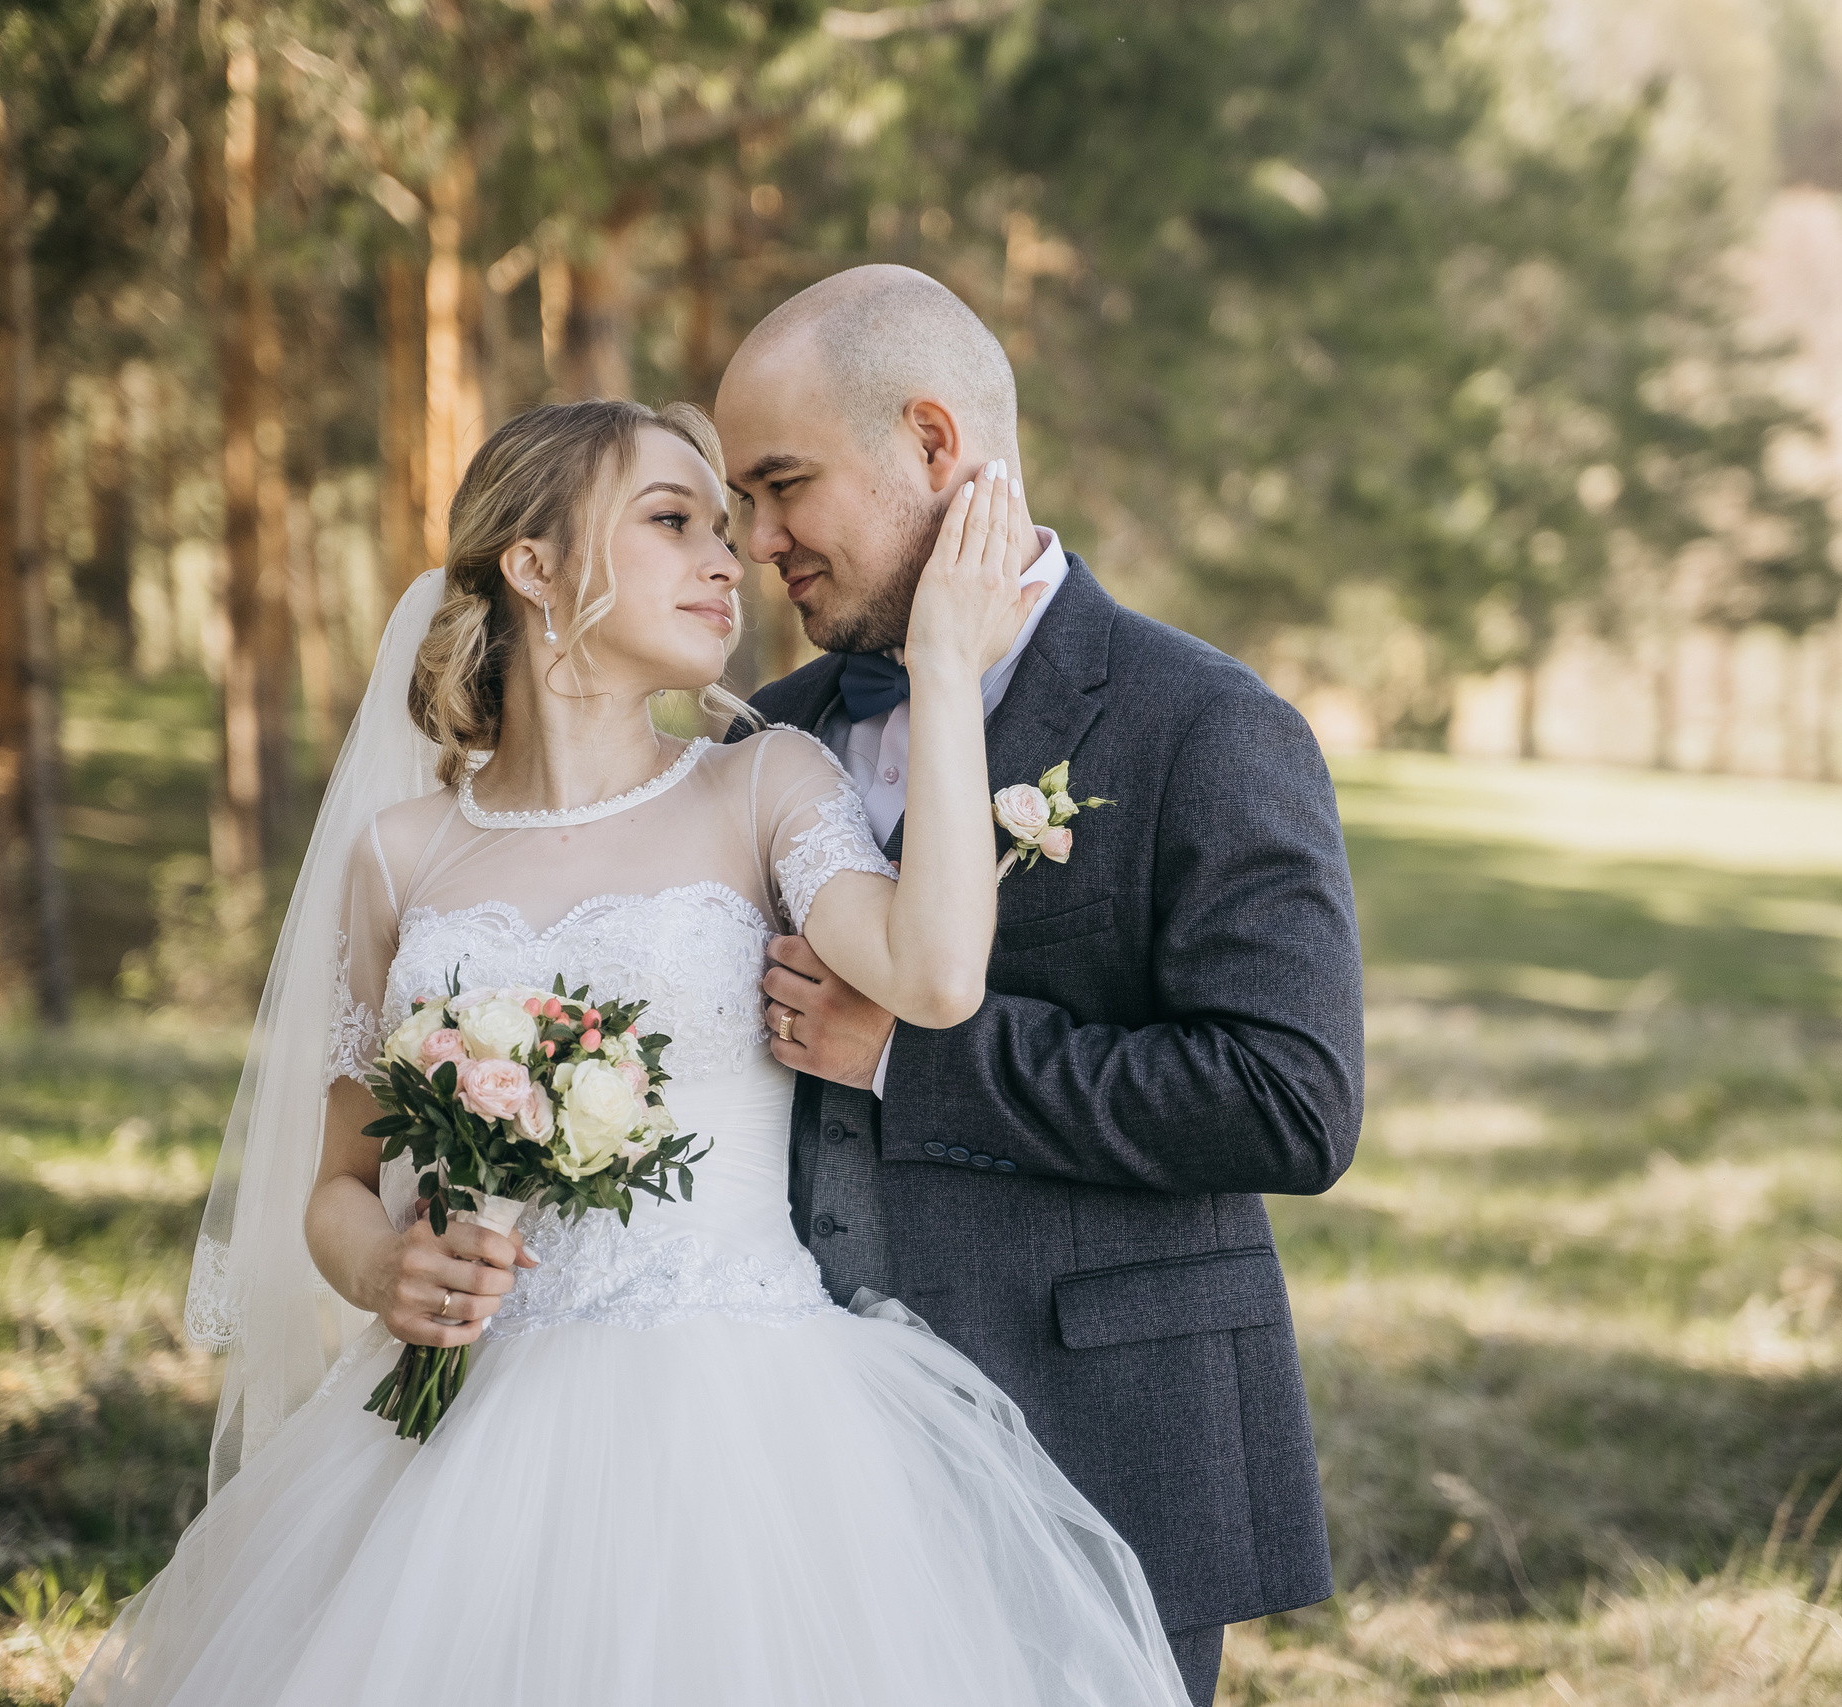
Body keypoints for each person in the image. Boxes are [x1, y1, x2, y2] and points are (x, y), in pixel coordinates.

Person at [73, 398, 1190, 1705]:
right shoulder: (400, 855)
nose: (731, 560)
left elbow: (936, 979)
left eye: (727, 528)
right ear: (534, 565)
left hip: (743, 1419)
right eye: (675, 523)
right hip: (455, 1433)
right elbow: (336, 1185)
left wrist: (945, 670)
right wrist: (385, 1265)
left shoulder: (763, 786)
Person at [716, 265, 1367, 1707]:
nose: (757, 541)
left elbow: (1290, 1102)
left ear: (932, 443)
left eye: (783, 485)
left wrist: (907, 1054)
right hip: (788, 1463)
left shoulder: (1205, 725)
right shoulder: (764, 739)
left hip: (1092, 1444)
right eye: (740, 501)